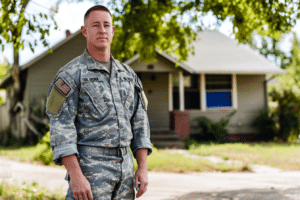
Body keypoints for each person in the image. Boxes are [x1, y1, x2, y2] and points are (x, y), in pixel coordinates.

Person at [46, 5, 152, 200]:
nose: (102, 30)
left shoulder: (128, 76)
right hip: (90, 172)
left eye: (106, 25)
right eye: (95, 25)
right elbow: (61, 127)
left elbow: (140, 123)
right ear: (84, 31)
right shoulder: (70, 75)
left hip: (126, 173)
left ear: (112, 31)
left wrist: (142, 168)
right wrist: (75, 175)